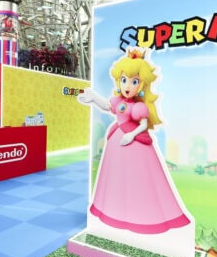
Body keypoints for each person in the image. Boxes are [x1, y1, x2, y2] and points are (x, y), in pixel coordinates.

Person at [78, 47, 191, 234]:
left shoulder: (138, 107)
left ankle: (139, 213)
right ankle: (112, 209)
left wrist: (131, 135)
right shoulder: (119, 102)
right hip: (117, 141)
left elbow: (143, 124)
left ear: (141, 84)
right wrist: (94, 97)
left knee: (138, 178)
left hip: (132, 141)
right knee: (115, 177)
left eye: (134, 81)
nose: (127, 86)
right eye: (124, 80)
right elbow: (107, 106)